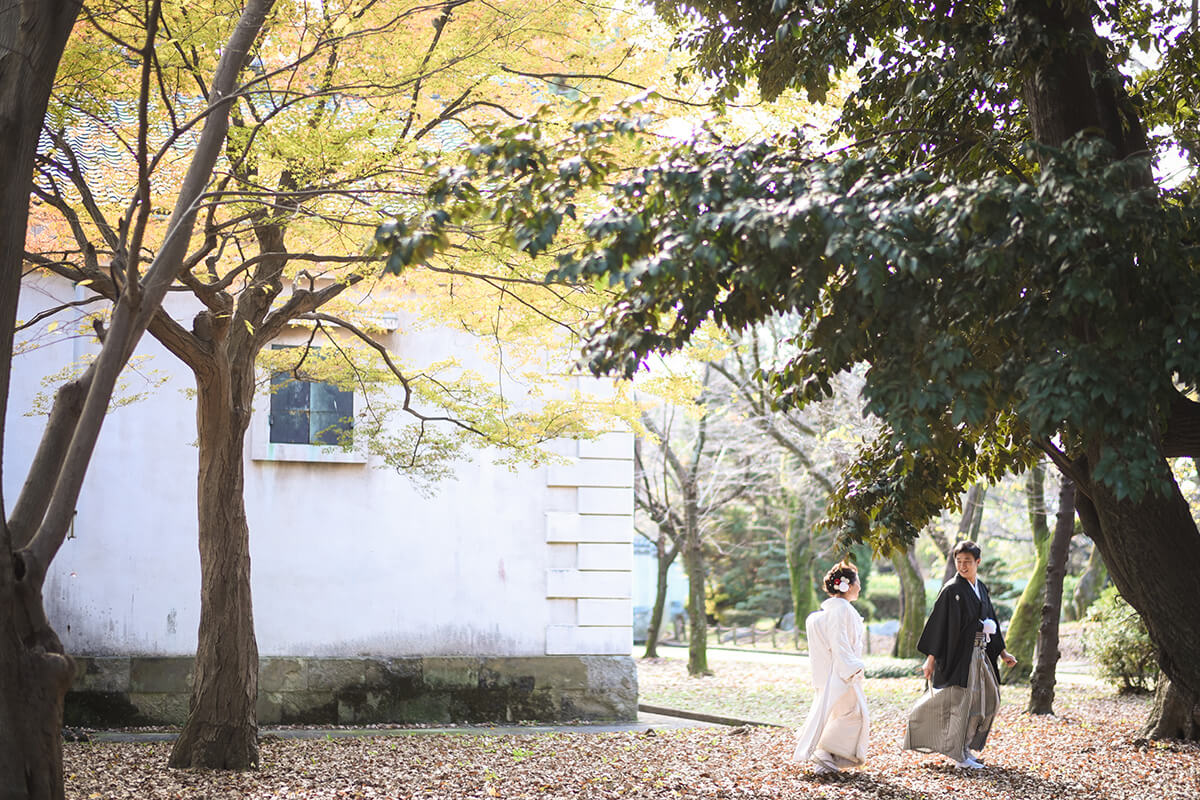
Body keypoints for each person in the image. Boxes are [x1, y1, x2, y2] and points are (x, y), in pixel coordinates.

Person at [904, 540, 1018, 770]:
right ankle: (958, 755)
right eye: (959, 561)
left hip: (980, 654)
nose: (963, 565)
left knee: (988, 700)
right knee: (961, 704)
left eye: (967, 561)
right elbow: (939, 625)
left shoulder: (981, 588)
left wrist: (1003, 652)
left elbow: (992, 619)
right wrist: (930, 660)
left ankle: (964, 748)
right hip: (959, 657)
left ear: (978, 562)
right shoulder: (952, 590)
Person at [793, 561, 870, 775]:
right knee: (854, 715)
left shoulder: (836, 608)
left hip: (838, 672)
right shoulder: (841, 609)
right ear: (847, 585)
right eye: (858, 582)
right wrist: (853, 667)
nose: (860, 587)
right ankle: (823, 753)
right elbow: (839, 641)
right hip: (843, 673)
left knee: (841, 714)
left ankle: (826, 758)